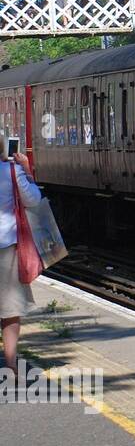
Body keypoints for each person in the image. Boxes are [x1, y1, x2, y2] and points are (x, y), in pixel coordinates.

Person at [1, 148, 41, 373]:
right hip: (8, 247)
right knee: (9, 310)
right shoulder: (13, 171)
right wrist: (26, 169)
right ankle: (10, 366)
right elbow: (34, 200)